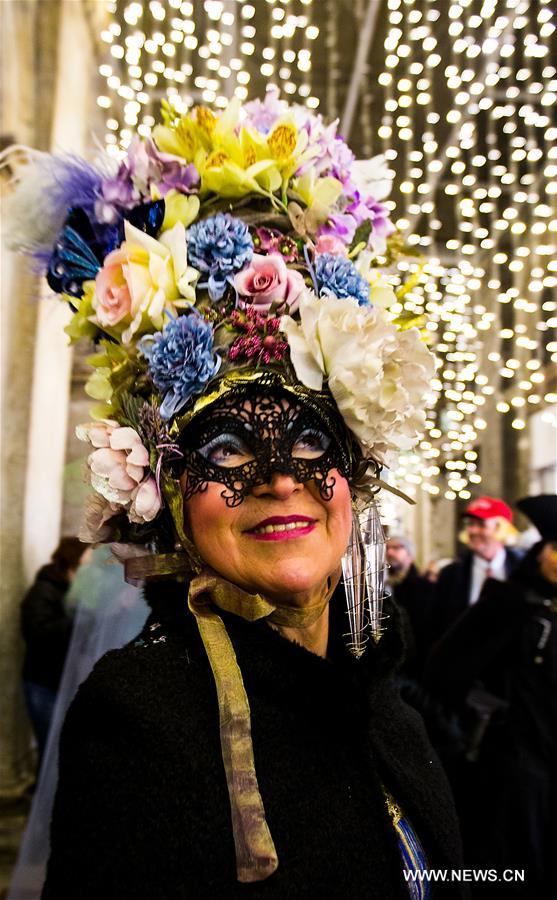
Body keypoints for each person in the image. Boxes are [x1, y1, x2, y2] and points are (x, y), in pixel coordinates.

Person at [10, 92, 465, 897]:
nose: (280, 478)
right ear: (170, 496)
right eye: (225, 449)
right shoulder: (139, 727)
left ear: (353, 476)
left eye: (311, 440)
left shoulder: (386, 702)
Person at [425, 495, 557, 898]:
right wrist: (486, 713)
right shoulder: (512, 600)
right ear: (543, 553)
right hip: (515, 765)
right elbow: (444, 667)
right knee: (511, 868)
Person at [20, 537, 89, 770]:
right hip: (43, 683)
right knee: (50, 751)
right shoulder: (44, 590)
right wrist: (80, 622)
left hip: (59, 681)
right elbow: (38, 634)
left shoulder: (67, 589)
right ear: (71, 564)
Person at [429, 496, 521, 644]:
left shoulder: (522, 570)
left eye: (481, 524)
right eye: (470, 524)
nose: (473, 530)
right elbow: (436, 626)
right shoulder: (450, 575)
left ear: (500, 528)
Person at [386, 536, 434, 677]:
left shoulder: (425, 588)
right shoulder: (383, 584)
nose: (389, 552)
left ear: (410, 555)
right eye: (387, 548)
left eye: (396, 548)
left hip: (415, 663)